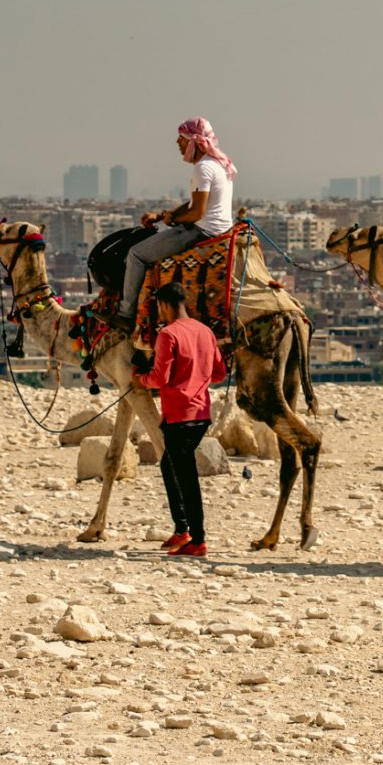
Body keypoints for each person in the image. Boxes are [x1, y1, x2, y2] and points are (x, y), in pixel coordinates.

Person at [111, 118, 237, 330]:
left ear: (194, 142)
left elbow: (197, 212)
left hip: (202, 231)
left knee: (136, 255)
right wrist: (164, 215)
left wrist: (173, 220)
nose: (178, 144)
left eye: (182, 139)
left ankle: (125, 314)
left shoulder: (203, 168)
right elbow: (196, 202)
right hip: (218, 227)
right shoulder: (218, 164)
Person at [148, 282, 226, 558]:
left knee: (186, 477)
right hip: (201, 414)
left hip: (178, 416)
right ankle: (182, 528)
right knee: (169, 467)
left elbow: (160, 378)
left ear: (164, 305)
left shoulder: (167, 335)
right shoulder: (205, 331)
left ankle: (198, 539)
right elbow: (219, 374)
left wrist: (141, 379)